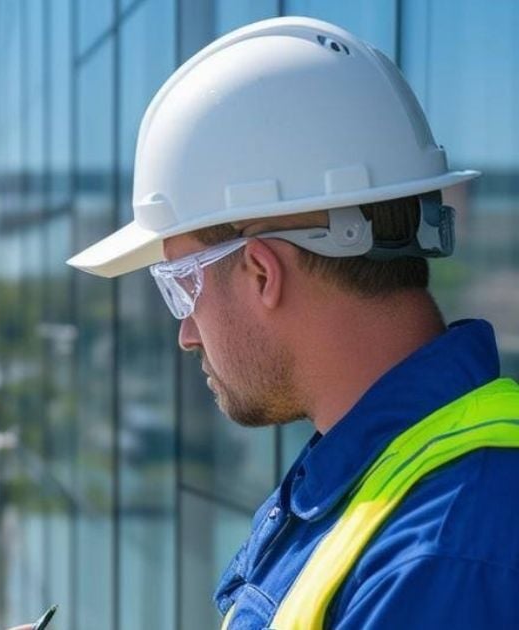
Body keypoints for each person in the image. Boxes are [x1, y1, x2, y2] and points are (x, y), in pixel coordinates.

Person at [56, 16, 519, 630]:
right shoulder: (378, 489)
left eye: (181, 285)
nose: (186, 333)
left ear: (260, 272)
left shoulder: (440, 557)